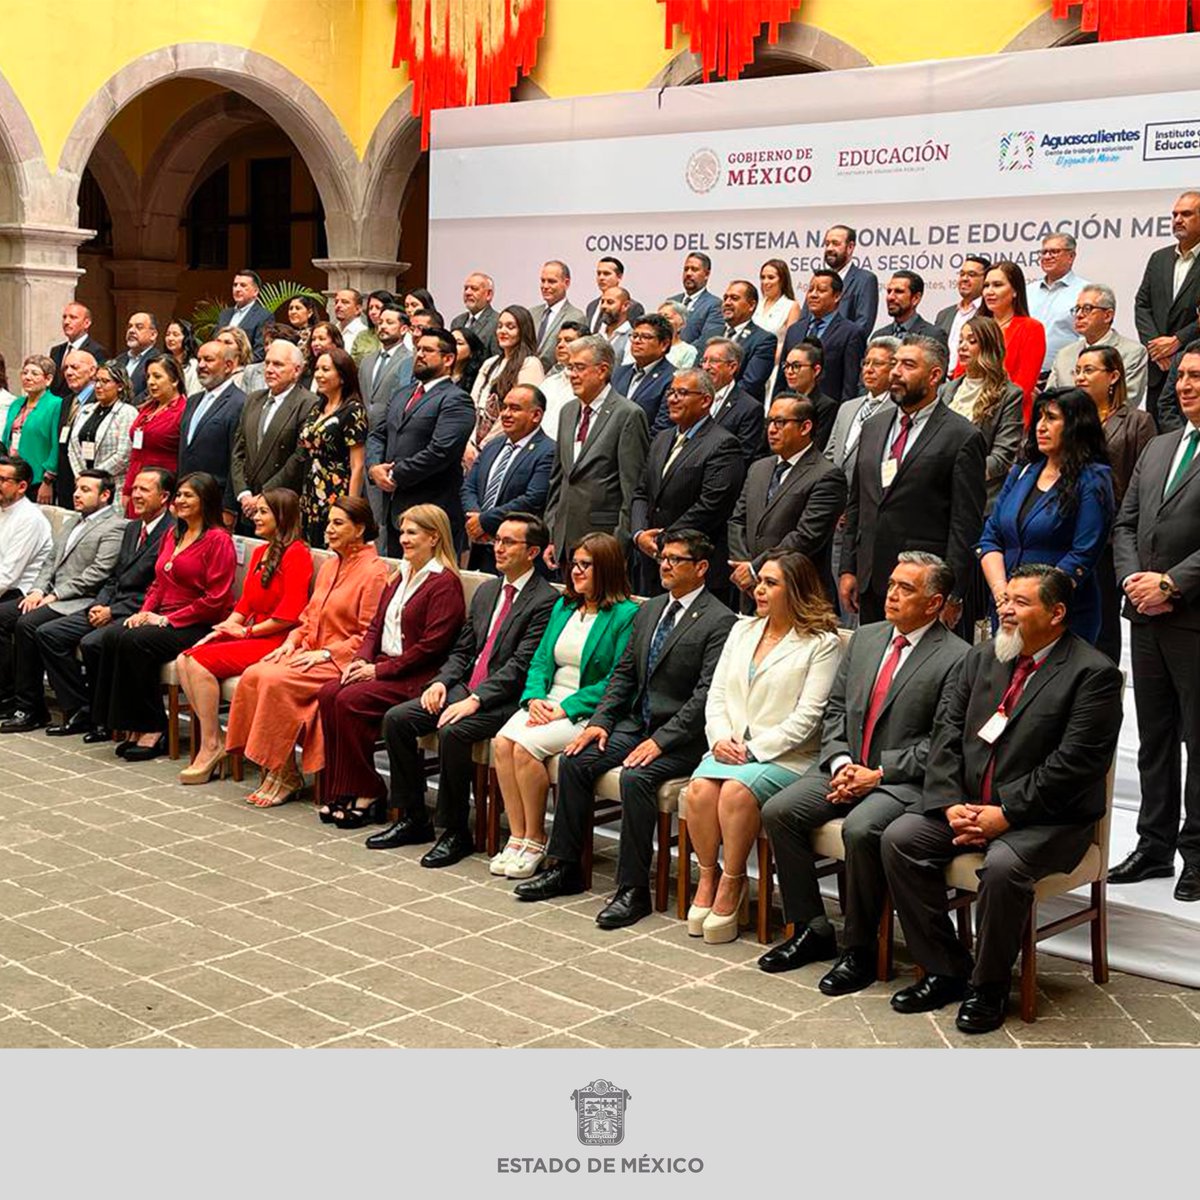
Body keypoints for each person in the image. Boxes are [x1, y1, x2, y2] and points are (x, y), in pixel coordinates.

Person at [882, 565, 1122, 1033]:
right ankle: (946, 968)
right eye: (1004, 599)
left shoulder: (1093, 674)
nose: (1005, 610)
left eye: (1020, 602)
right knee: (900, 837)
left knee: (1004, 868)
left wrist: (1006, 814)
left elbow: (1075, 766)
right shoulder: (981, 659)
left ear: (1056, 613)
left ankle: (988, 988)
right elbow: (945, 732)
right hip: (969, 805)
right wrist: (950, 800)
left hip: (1050, 820)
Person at [758, 553, 968, 985]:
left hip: (903, 783)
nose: (891, 594)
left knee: (860, 829)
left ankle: (861, 950)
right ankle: (813, 928)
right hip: (844, 767)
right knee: (780, 811)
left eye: (906, 588)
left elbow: (944, 745)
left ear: (934, 603)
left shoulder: (958, 657)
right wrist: (840, 762)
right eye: (891, 583)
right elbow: (835, 710)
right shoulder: (866, 638)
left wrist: (877, 773)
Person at [514, 530, 736, 921]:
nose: (665, 565)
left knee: (636, 778)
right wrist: (599, 723)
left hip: (681, 737)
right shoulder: (650, 609)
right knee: (576, 759)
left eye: (676, 559)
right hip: (636, 723)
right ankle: (565, 867)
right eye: (663, 557)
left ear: (701, 568)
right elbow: (623, 676)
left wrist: (662, 742)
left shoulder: (720, 620)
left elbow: (705, 697)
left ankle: (633, 890)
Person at [368, 513, 559, 862]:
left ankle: (455, 832)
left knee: (454, 731)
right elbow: (463, 649)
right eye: (497, 540)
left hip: (506, 699)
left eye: (508, 542)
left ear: (533, 552)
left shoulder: (545, 600)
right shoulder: (488, 590)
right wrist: (441, 682)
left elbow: (521, 665)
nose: (498, 548)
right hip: (466, 688)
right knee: (398, 719)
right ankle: (412, 817)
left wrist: (476, 699)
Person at [683, 551, 843, 944]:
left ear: (798, 590)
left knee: (736, 792)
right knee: (701, 791)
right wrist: (720, 738)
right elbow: (716, 694)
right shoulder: (742, 631)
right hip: (728, 747)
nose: (759, 589)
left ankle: (733, 884)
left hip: (787, 757)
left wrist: (752, 751)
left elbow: (810, 718)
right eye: (760, 582)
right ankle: (708, 875)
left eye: (771, 583)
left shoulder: (822, 643)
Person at [225, 495, 389, 806]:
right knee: (254, 673)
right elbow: (308, 617)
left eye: (338, 523)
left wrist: (327, 654)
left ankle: (282, 772)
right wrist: (290, 644)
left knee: (274, 680)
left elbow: (369, 635)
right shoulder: (329, 566)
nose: (328, 530)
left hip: (343, 661)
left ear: (360, 529)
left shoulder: (374, 571)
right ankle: (281, 769)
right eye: (329, 522)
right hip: (309, 650)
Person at [1111, 341, 1200, 901]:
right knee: (1155, 738)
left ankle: (1198, 852)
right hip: (1144, 617)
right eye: (1184, 375)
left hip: (1193, 617)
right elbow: (1126, 524)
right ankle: (1153, 846)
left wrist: (1172, 583)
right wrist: (1133, 581)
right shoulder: (1162, 445)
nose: (1186, 384)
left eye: (1197, 375)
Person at [493, 532, 636, 881]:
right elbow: (541, 659)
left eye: (586, 565)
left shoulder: (626, 614)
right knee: (502, 744)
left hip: (584, 710)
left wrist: (568, 707)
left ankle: (538, 840)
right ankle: (517, 836)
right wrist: (534, 697)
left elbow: (618, 677)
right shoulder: (563, 605)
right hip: (546, 700)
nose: (576, 571)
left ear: (606, 569)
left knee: (525, 749)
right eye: (575, 564)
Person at [317, 505, 464, 827]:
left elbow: (432, 647)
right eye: (402, 532)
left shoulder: (444, 582)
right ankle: (343, 788)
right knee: (329, 693)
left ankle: (369, 790)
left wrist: (378, 671)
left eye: (413, 533)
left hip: (417, 676)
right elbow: (374, 628)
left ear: (434, 537)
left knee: (349, 700)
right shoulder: (399, 575)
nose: (404, 539)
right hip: (385, 667)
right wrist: (359, 660)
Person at [89, 471, 236, 762]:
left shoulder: (218, 540)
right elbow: (158, 583)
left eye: (187, 495)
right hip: (164, 617)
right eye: (178, 494)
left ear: (205, 500)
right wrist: (144, 612)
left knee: (136, 642)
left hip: (197, 623)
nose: (180, 500)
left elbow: (216, 600)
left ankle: (153, 727)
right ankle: (127, 721)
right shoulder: (174, 533)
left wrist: (168, 619)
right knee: (115, 635)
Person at [841, 335, 987, 627]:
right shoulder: (873, 426)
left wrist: (953, 593)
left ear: (934, 376)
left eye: (908, 365)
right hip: (870, 580)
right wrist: (849, 568)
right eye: (894, 363)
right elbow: (858, 504)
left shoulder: (962, 436)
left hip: (923, 586)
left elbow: (965, 524)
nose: (895, 372)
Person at [174, 488, 311, 783]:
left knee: (197, 664)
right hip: (252, 632)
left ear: (282, 517)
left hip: (276, 639)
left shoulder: (298, 553)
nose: (255, 517)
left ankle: (212, 744)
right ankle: (215, 740)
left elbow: (289, 615)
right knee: (185, 658)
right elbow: (246, 603)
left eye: (263, 512)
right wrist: (223, 629)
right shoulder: (261, 551)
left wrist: (244, 631)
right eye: (256, 511)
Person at [37, 467, 173, 740]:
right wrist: (101, 604)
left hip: (139, 610)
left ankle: (104, 720)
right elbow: (114, 576)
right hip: (110, 602)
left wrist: (114, 611)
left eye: (144, 490)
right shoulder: (133, 527)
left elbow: (156, 587)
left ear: (165, 496)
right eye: (134, 488)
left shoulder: (171, 532)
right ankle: (80, 708)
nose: (135, 495)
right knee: (48, 634)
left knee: (94, 642)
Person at [978, 388, 1114, 644]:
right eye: (1040, 418)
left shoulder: (1093, 478)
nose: (1041, 426)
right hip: (1006, 608)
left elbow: (1083, 553)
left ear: (1076, 426)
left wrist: (1028, 599)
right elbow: (991, 537)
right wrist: (1002, 594)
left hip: (1058, 613)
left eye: (1051, 418)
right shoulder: (1024, 469)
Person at [0, 470, 120, 728]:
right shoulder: (74, 521)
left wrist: (54, 594)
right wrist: (38, 590)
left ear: (105, 495)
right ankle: (24, 703)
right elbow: (49, 562)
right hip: (52, 595)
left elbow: (97, 573)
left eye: (85, 490)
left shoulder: (115, 526)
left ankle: (29, 707)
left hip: (80, 599)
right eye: (77, 488)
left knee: (27, 624)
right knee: (22, 618)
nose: (76, 494)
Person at [631, 368, 744, 597]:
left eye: (682, 393)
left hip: (694, 565)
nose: (672, 398)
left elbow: (711, 505)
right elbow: (642, 492)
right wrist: (639, 533)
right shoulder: (662, 438)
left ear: (705, 400)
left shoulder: (723, 444)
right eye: (671, 392)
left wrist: (663, 540)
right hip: (651, 561)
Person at [1074, 345, 1155, 662]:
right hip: (1070, 532)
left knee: (1104, 624)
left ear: (1114, 376)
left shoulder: (1137, 422)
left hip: (1109, 539)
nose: (1080, 376)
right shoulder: (1069, 421)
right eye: (1078, 370)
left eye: (1089, 370)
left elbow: (1144, 486)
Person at [729, 394, 846, 609]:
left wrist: (756, 569)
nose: (772, 429)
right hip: (750, 591)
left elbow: (806, 537)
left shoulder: (827, 475)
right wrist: (742, 567)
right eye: (770, 422)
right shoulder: (759, 468)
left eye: (781, 422)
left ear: (805, 427)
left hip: (798, 596)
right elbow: (737, 520)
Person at [543, 335, 649, 570]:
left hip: (603, 542)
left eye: (579, 367)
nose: (572, 374)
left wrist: (618, 545)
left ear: (602, 371)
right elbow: (559, 478)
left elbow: (632, 488)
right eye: (569, 367)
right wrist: (552, 533)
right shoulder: (568, 412)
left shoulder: (628, 414)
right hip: (564, 542)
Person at [366, 327, 474, 555]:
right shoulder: (402, 394)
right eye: (418, 349)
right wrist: (374, 467)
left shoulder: (456, 400)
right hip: (396, 511)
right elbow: (378, 434)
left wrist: (396, 475)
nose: (419, 354)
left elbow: (440, 451)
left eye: (427, 350)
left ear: (448, 359)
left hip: (432, 515)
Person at [825, 337, 897, 604]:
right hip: (835, 514)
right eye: (866, 363)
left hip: (866, 514)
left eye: (877, 364)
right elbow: (831, 456)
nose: (868, 369)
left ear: (894, 368)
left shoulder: (896, 411)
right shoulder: (848, 408)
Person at [461, 385, 554, 573]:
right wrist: (474, 517)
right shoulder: (493, 445)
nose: (505, 414)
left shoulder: (549, 451)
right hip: (478, 547)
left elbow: (533, 499)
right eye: (504, 407)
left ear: (536, 415)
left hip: (518, 554)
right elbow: (468, 487)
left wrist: (484, 521)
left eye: (515, 408)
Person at [231, 340, 319, 534]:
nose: (269, 369)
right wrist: (244, 494)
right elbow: (238, 450)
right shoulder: (253, 399)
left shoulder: (308, 403)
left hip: (280, 506)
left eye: (278, 364)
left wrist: (263, 497)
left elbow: (297, 458)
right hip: (247, 505)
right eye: (267, 363)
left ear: (297, 370)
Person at [941, 315, 1024, 508]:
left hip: (979, 496)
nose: (962, 346)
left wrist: (957, 475)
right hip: (938, 495)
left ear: (989, 346)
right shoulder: (945, 390)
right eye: (961, 340)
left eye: (972, 341)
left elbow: (1001, 458)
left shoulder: (1010, 395)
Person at [1134, 191, 1200, 408]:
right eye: (1175, 214)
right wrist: (1156, 348)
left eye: (1186, 214)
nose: (1178, 220)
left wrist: (1177, 341)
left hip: (1194, 368)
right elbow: (1142, 305)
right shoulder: (1158, 258)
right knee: (1161, 439)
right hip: (1159, 369)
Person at [298, 346, 367, 544]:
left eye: (326, 369)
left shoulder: (353, 410)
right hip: (310, 492)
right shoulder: (316, 407)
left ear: (343, 376)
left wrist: (349, 509)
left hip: (336, 492)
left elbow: (358, 465)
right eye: (317, 369)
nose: (319, 374)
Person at [1045, 283, 1148, 408]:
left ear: (1107, 315)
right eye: (1077, 309)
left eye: (1087, 309)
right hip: (1065, 425)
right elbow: (1049, 400)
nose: (1079, 315)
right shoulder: (1065, 354)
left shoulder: (1133, 352)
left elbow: (1126, 402)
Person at [775, 268, 867, 404]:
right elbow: (781, 380)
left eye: (821, 291)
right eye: (810, 289)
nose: (813, 295)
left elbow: (850, 385)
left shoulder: (851, 333)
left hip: (828, 412)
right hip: (791, 410)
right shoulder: (795, 329)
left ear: (837, 296)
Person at [466, 304, 544, 465]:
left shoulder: (530, 363)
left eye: (510, 327)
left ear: (523, 331)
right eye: (500, 326)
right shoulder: (490, 363)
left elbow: (521, 410)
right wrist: (470, 443)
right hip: (474, 443)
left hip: (505, 444)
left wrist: (486, 445)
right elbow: (472, 403)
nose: (502, 331)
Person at [177, 340, 246, 519]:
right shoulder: (193, 401)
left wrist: (229, 507)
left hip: (216, 501)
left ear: (228, 366)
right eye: (199, 359)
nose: (201, 365)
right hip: (186, 499)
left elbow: (237, 458)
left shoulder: (239, 403)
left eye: (208, 360)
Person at [978, 260, 1047, 422]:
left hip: (1009, 417)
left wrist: (987, 408)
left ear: (1015, 291)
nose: (989, 291)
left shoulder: (1031, 328)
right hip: (969, 412)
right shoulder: (976, 327)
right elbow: (961, 374)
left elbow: (1023, 386)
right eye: (986, 286)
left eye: (997, 285)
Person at [123, 356, 187, 516]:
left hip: (163, 491)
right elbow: (135, 454)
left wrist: (177, 498)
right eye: (148, 377)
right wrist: (128, 489)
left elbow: (186, 459)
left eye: (157, 376)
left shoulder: (183, 411)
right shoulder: (147, 408)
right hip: (137, 486)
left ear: (174, 380)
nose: (151, 382)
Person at [68, 362, 137, 504]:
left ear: (120, 386)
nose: (98, 386)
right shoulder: (85, 410)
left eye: (105, 381)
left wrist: (94, 476)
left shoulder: (127, 412)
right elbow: (72, 447)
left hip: (113, 485)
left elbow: (124, 455)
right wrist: (81, 476)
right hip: (84, 483)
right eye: (97, 381)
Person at [0, 458, 53, 638]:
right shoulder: (3, 507)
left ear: (22, 486)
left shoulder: (29, 519)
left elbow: (8, 575)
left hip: (20, 591)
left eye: (3, 480)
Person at [2, 356, 62, 503]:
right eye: (25, 372)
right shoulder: (16, 403)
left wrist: (47, 480)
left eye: (34, 374)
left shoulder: (55, 404)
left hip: (38, 478)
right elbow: (6, 438)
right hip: (12, 475)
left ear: (48, 380)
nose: (28, 377)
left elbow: (55, 445)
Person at [1027, 233, 1089, 374]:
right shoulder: (1027, 291)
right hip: (1024, 375)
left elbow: (1086, 337)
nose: (1047, 257)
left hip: (1064, 376)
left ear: (1071, 256)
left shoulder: (1085, 292)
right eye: (1044, 252)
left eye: (1054, 252)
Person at [698, 337, 765, 466]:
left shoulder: (749, 408)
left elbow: (741, 457)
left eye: (713, 361)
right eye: (704, 361)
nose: (705, 367)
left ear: (732, 367)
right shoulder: (693, 397)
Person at [612, 314, 676, 432]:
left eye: (645, 337)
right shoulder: (619, 372)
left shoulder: (672, 379)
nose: (637, 341)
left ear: (664, 344)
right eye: (634, 336)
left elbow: (662, 427)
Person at [51, 351, 98, 509]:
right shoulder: (66, 402)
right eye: (65, 369)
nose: (69, 372)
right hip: (65, 481)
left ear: (92, 371)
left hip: (90, 479)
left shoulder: (100, 400)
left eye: (75, 367)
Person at [814, 224, 879, 333]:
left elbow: (863, 325)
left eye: (835, 243)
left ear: (850, 247)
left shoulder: (865, 280)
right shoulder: (818, 279)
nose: (829, 248)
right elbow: (804, 319)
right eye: (827, 244)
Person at [719, 280, 775, 402]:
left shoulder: (764, 340)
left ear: (751, 305)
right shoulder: (711, 334)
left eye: (734, 298)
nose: (727, 303)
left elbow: (751, 384)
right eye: (725, 298)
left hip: (737, 410)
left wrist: (718, 399)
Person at [360, 303, 413, 425]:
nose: (383, 326)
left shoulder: (409, 360)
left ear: (404, 329)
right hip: (364, 430)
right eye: (380, 322)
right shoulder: (366, 361)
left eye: (389, 322)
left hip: (392, 428)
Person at [778, 341, 837, 451]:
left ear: (816, 370)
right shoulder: (782, 401)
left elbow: (817, 447)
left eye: (796, 366)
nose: (789, 372)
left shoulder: (826, 406)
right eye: (786, 366)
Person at [935, 254, 989, 373]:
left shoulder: (989, 314)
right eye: (962, 274)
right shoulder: (944, 315)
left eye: (971, 275)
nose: (964, 278)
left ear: (985, 280)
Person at [756, 258, 802, 393]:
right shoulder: (756, 305)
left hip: (774, 367)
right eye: (763, 278)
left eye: (771, 278)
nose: (766, 282)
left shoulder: (790, 306)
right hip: (751, 367)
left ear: (782, 280)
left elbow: (790, 343)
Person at [530, 260, 586, 368]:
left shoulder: (576, 316)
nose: (545, 286)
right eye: (543, 281)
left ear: (566, 283)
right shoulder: (532, 313)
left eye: (551, 281)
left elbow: (573, 356)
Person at [538, 321, 588, 440]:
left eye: (568, 340)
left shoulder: (589, 387)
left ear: (585, 345)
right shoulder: (549, 383)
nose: (560, 345)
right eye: (558, 341)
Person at [871, 271, 948, 345]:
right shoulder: (878, 336)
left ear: (916, 298)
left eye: (899, 291)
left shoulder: (933, 336)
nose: (890, 297)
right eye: (889, 291)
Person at [49, 302, 108, 396]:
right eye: (64, 317)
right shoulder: (56, 351)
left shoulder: (97, 351)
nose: (66, 322)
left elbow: (98, 383)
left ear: (86, 323)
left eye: (73, 317)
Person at [668, 252, 725, 347]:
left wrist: (680, 356)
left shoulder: (715, 305)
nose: (688, 274)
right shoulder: (671, 302)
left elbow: (707, 342)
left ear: (706, 274)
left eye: (694, 269)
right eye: (686, 269)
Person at [216, 270, 271, 362]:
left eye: (243, 285)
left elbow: (260, 351)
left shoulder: (263, 316)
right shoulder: (224, 314)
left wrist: (238, 367)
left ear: (255, 291)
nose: (237, 289)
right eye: (235, 285)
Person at [584, 257, 645, 334]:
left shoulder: (633, 307)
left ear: (619, 277)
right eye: (598, 273)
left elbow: (635, 335)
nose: (601, 278)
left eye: (606, 274)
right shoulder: (592, 306)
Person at [113, 312, 163, 399]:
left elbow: (150, 393)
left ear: (153, 335)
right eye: (129, 327)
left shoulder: (158, 361)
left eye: (139, 327)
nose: (131, 331)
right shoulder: (118, 360)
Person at [450, 272, 500, 356]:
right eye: (466, 288)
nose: (467, 293)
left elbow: (497, 359)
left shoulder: (497, 322)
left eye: (474, 289)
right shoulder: (457, 321)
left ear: (488, 294)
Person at [303, 321, 345, 389]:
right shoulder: (306, 371)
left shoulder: (342, 369)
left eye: (321, 339)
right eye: (313, 339)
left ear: (335, 343)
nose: (315, 343)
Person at [657, 300, 699, 368]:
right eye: (659, 318)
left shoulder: (688, 351)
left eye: (667, 318)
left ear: (682, 324)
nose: (661, 322)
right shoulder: (650, 346)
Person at [164, 318, 201, 396]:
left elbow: (193, 394)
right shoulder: (163, 361)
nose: (170, 338)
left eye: (175, 334)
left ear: (186, 338)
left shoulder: (193, 365)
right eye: (168, 334)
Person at [216, 325, 254, 392]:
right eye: (218, 342)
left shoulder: (247, 376)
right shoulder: (210, 375)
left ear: (240, 349)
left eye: (227, 343)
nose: (221, 346)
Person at [451, 325, 487, 395]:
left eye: (459, 343)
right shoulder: (437, 373)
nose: (453, 347)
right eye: (450, 342)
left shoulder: (477, 378)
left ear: (472, 352)